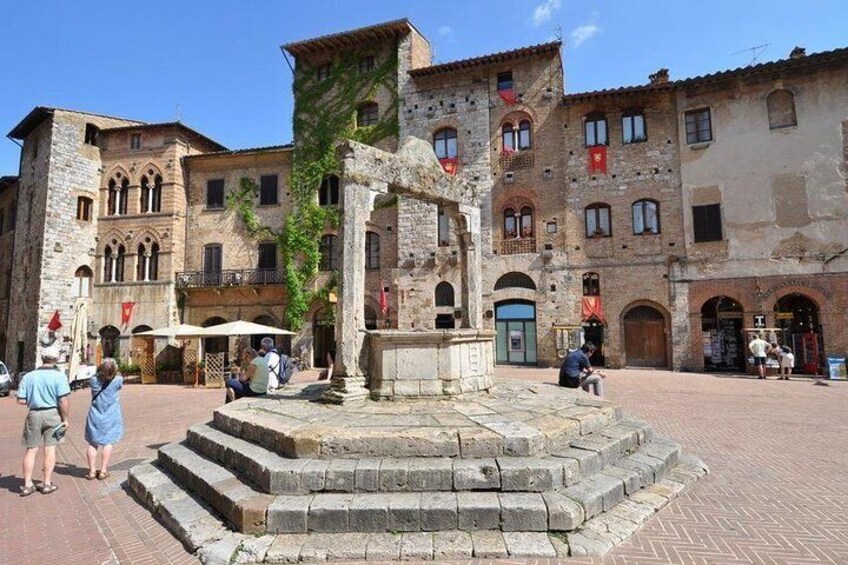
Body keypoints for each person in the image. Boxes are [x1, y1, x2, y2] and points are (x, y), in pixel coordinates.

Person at [16, 346, 71, 496]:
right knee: (50, 449)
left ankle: (27, 484)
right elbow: (63, 400)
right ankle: (47, 483)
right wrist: (65, 419)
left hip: (34, 413)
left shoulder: (29, 376)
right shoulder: (60, 377)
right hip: (53, 414)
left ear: (42, 358)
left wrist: (33, 399)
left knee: (31, 449)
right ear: (55, 359)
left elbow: (20, 400)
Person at [84, 358, 124, 480]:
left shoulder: (93, 380)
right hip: (111, 413)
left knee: (92, 443)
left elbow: (96, 378)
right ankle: (103, 470)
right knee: (108, 442)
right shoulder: (118, 380)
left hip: (95, 413)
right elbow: (119, 385)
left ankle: (91, 471)